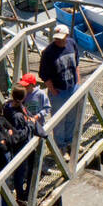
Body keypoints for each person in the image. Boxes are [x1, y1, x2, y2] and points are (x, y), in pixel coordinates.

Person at [39, 24, 81, 155]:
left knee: (72, 117)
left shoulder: (72, 44)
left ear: (67, 36)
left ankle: (69, 142)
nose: (58, 41)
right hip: (58, 91)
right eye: (56, 38)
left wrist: (78, 83)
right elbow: (43, 74)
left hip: (72, 87)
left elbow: (77, 63)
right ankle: (60, 147)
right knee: (59, 120)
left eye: (61, 38)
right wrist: (52, 90)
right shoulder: (48, 52)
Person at [4, 85, 37, 203]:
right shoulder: (17, 116)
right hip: (21, 146)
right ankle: (21, 196)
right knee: (21, 171)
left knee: (21, 171)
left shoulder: (7, 106)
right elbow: (19, 135)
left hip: (12, 145)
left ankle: (22, 195)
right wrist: (30, 125)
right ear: (23, 98)